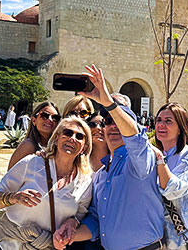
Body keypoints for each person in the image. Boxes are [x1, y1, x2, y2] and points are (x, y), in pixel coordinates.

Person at [53, 64, 165, 250]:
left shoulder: (139, 159)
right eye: (108, 122)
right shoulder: (101, 174)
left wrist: (108, 103)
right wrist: (70, 234)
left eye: (118, 121)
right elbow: (98, 219)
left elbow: (136, 138)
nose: (113, 126)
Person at [0, 116, 93, 250]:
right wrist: (14, 197)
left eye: (79, 137)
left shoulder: (85, 181)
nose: (72, 138)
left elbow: (81, 213)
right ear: (56, 139)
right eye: (67, 133)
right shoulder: (32, 163)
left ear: (84, 148)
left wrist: (73, 221)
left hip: (45, 246)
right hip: (10, 243)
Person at [152, 102, 188, 250]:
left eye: (168, 121)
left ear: (180, 128)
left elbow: (172, 190)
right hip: (163, 238)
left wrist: (159, 159)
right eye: (158, 120)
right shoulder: (155, 157)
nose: (161, 125)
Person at [8, 102, 61, 171]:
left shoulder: (57, 146)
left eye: (55, 118)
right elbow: (11, 176)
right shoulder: (28, 146)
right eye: (44, 116)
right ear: (34, 120)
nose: (50, 120)